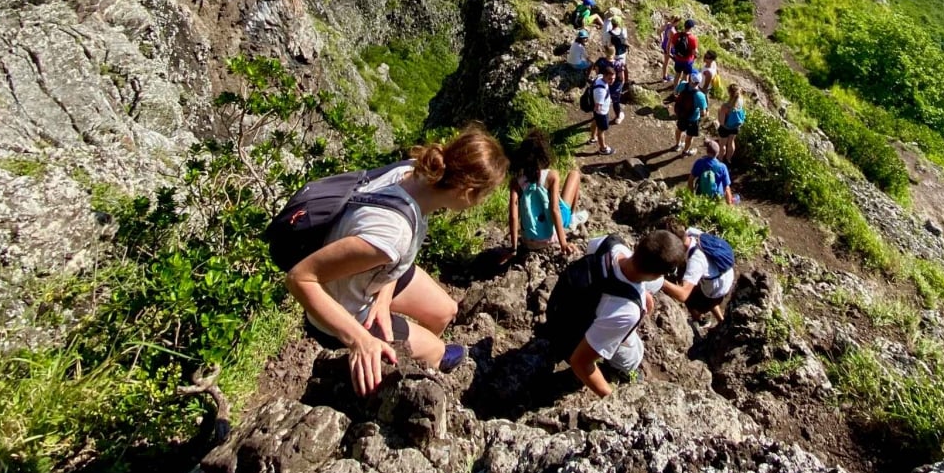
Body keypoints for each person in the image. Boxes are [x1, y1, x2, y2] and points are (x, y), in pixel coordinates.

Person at [285, 129, 508, 396]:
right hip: (340, 309)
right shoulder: (393, 233)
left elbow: (391, 252)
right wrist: (360, 340)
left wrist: (384, 296)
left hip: (368, 271)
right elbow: (299, 278)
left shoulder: (417, 172)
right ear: (468, 193)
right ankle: (407, 377)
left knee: (446, 310)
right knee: (438, 352)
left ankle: (414, 348)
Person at [545, 231, 687, 395]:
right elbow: (580, 362)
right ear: (657, 275)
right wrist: (611, 398)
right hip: (571, 338)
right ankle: (623, 371)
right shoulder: (626, 312)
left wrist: (641, 292)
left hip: (563, 307)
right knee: (634, 355)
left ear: (637, 245)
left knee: (648, 289)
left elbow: (599, 268)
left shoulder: (610, 243)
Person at [506, 129, 585, 258]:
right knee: (574, 174)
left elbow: (513, 217)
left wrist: (514, 249)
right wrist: (563, 243)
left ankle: (571, 218)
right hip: (551, 237)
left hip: (529, 241)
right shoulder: (551, 176)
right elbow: (554, 210)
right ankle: (572, 218)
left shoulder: (516, 182)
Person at [662, 223, 737, 323]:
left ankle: (701, 320)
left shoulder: (696, 260)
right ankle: (721, 321)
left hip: (715, 289)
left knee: (690, 298)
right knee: (709, 297)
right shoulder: (693, 233)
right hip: (725, 275)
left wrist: (660, 282)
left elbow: (683, 294)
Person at [688, 138, 735, 205]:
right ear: (718, 153)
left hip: (701, 195)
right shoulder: (722, 167)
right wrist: (729, 204)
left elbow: (690, 180)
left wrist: (692, 197)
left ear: (707, 151)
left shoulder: (699, 162)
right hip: (716, 197)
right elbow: (727, 188)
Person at [671, 74, 708, 156]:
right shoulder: (701, 96)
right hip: (693, 119)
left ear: (690, 79)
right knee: (689, 136)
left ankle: (677, 145)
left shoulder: (683, 84)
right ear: (699, 82)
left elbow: (675, 93)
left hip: (681, 114)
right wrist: (705, 113)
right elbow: (703, 113)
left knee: (679, 129)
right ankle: (685, 151)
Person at [588, 60, 615, 155]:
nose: (612, 81)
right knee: (601, 131)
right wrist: (600, 114)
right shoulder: (601, 91)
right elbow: (597, 106)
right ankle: (603, 148)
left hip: (598, 113)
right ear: (604, 76)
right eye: (610, 79)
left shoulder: (599, 77)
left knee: (594, 121)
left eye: (613, 78)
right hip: (601, 113)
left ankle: (592, 138)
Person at [668, 20, 699, 95]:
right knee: (685, 77)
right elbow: (694, 52)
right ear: (691, 27)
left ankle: (675, 91)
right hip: (688, 61)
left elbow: (672, 46)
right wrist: (697, 55)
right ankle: (682, 93)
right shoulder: (693, 38)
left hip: (678, 59)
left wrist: (675, 54)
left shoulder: (677, 35)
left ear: (684, 26)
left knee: (677, 75)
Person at [717, 83, 746, 161]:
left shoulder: (725, 106)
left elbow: (722, 122)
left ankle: (720, 160)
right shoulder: (741, 102)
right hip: (735, 127)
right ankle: (728, 159)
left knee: (722, 145)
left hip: (725, 128)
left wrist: (719, 112)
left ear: (729, 93)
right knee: (731, 142)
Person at [658, 13, 679, 83]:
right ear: (676, 22)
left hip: (664, 45)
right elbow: (670, 43)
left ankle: (665, 76)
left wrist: (662, 39)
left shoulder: (667, 25)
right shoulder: (673, 31)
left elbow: (659, 31)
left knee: (666, 62)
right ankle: (672, 78)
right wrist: (669, 52)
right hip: (669, 48)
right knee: (677, 62)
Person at [609, 62, 629, 126]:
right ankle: (618, 117)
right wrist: (622, 85)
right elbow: (621, 78)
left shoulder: (601, 61)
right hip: (615, 87)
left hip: (605, 85)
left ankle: (597, 116)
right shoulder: (618, 64)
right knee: (616, 102)